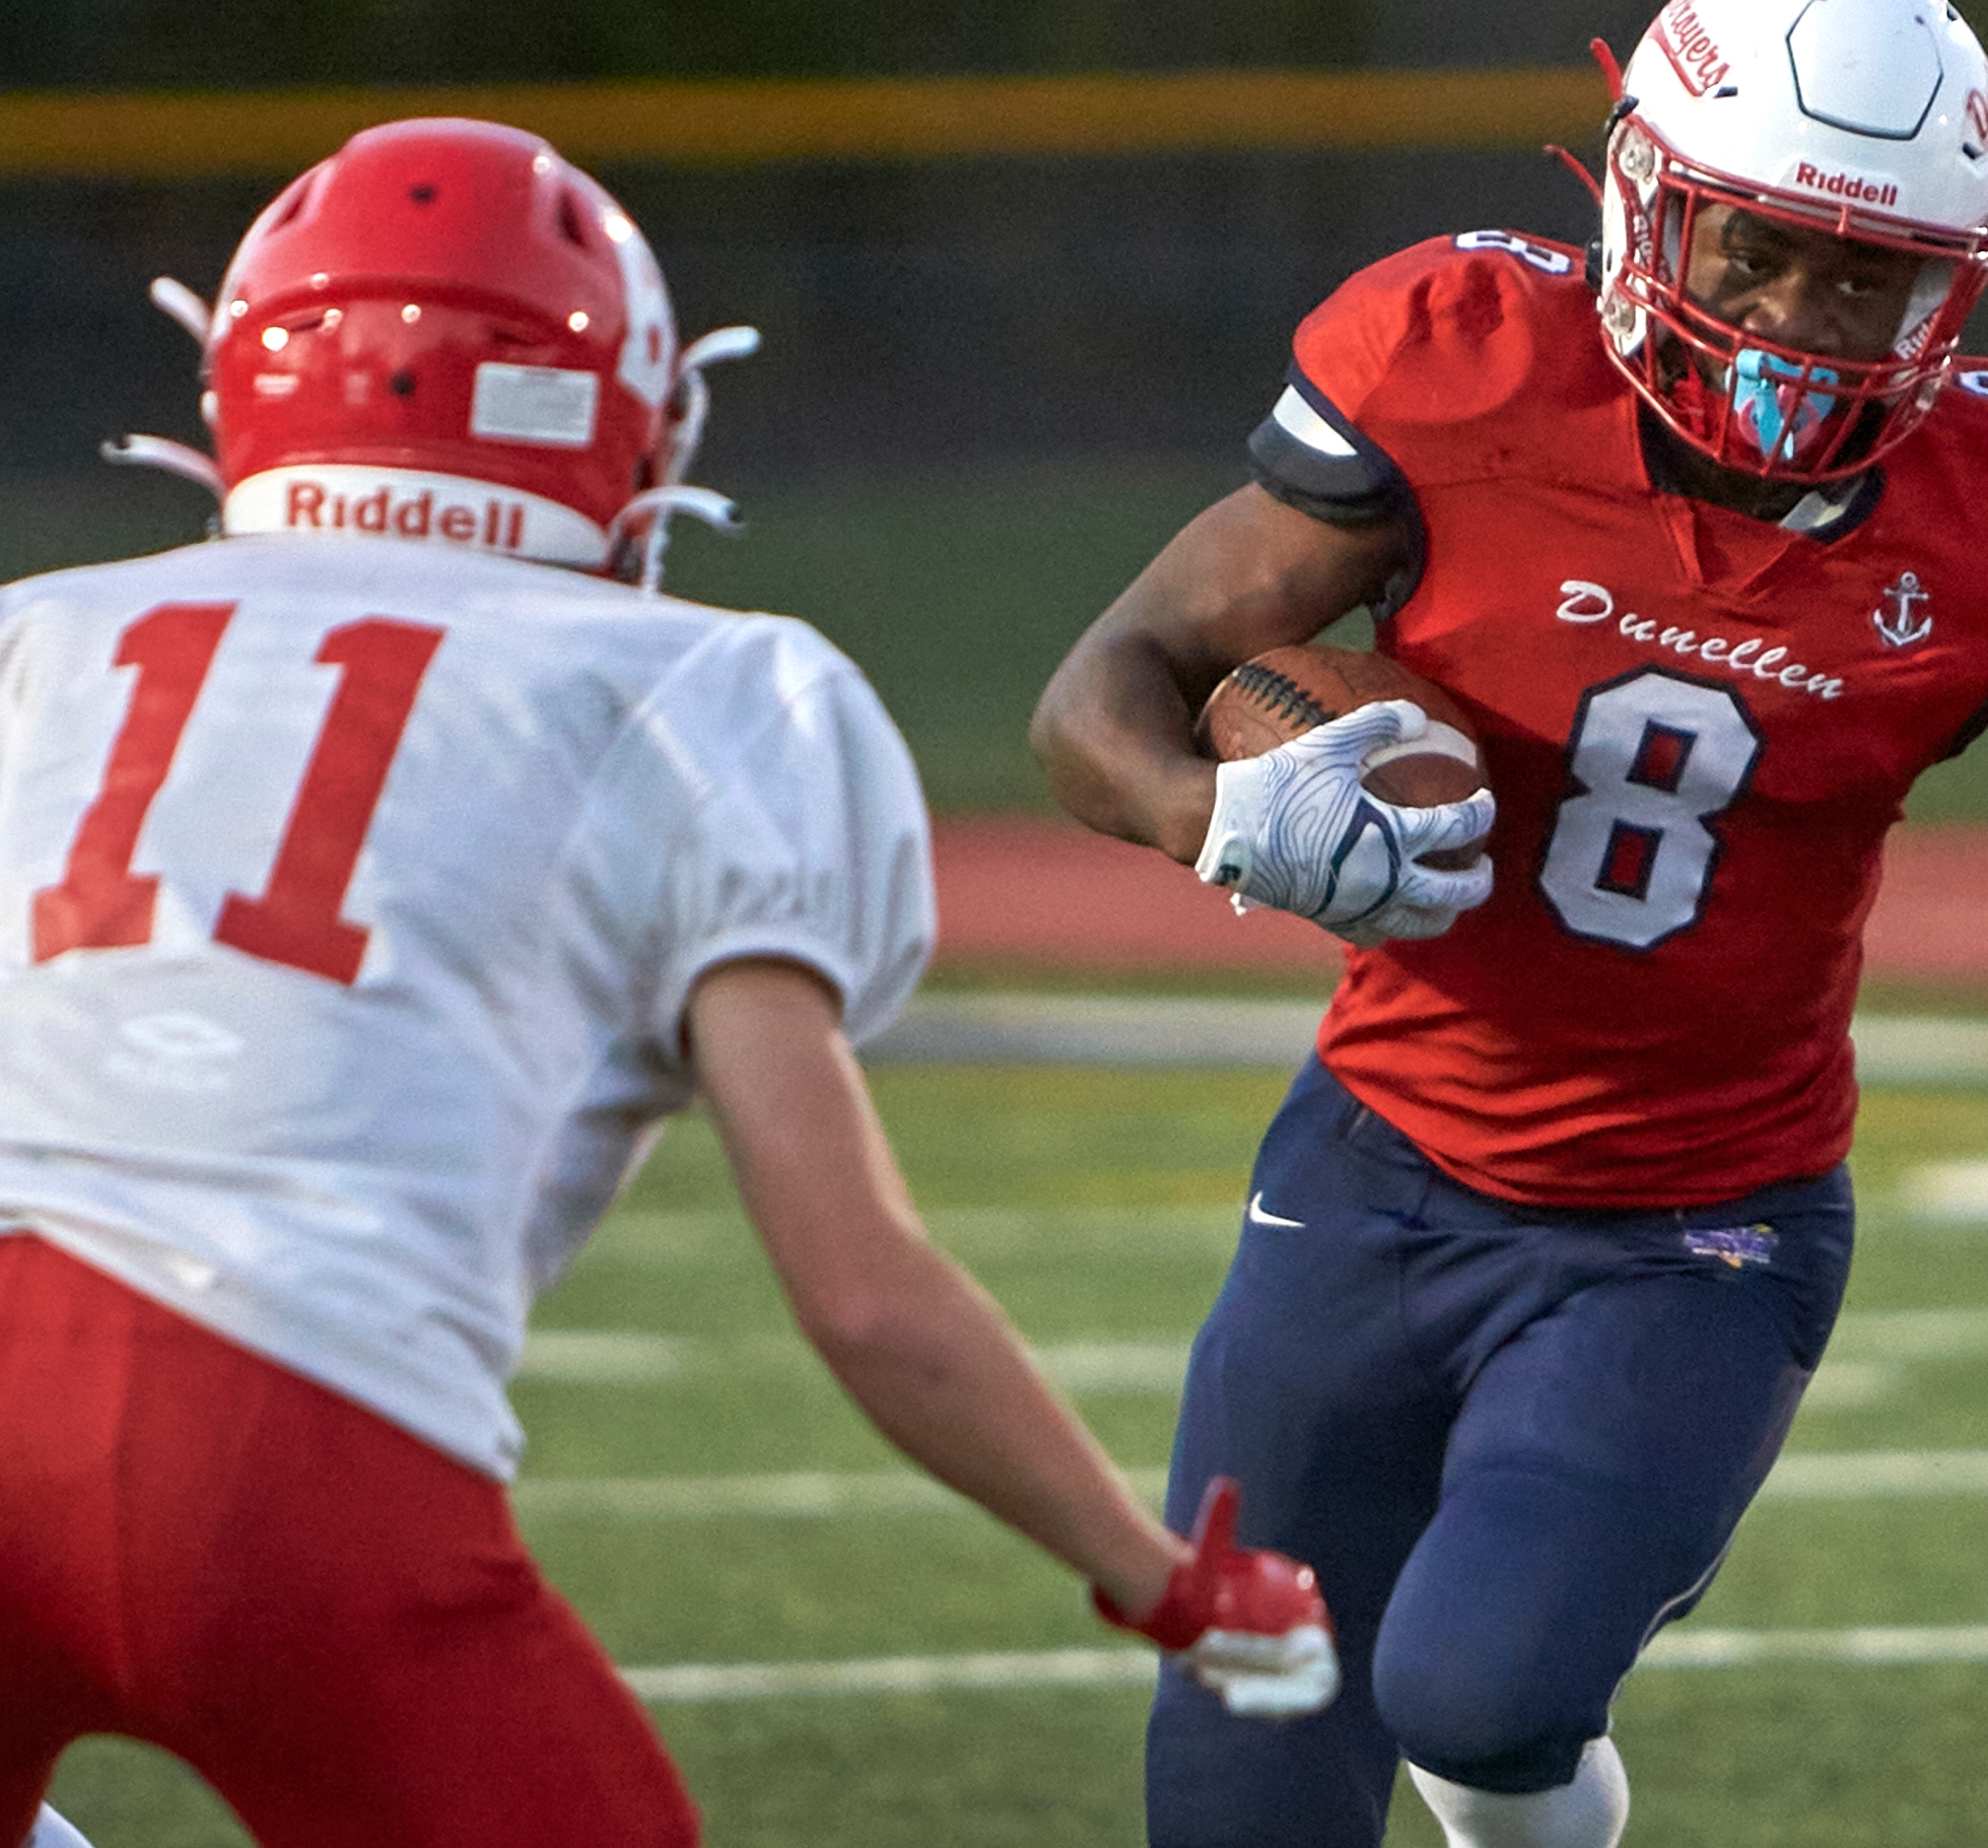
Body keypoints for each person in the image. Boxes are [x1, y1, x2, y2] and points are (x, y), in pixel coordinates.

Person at [0, 117, 1330, 1848]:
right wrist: (1161, 1581)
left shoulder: (40, 634)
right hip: (290, 1465)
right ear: (618, 413)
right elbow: (862, 1295)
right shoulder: (703, 692)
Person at [1027, 1, 1988, 1840]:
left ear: (1956, 285)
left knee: (1482, 1694)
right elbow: (1103, 687)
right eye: (1752, 250)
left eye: (1864, 279)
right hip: (1374, 1166)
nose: (1787, 320)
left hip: (1700, 1227)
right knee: (1242, 1753)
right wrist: (1215, 817)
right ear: (1638, 202)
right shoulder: (1463, 376)